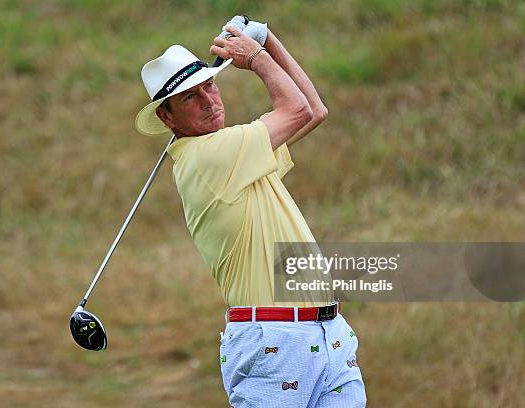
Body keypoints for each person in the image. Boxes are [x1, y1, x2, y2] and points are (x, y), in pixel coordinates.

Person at [135, 20, 366, 408]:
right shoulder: (207, 156)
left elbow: (314, 111)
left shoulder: (237, 151)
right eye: (189, 98)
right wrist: (256, 56)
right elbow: (296, 109)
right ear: (167, 118)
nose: (209, 100)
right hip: (272, 343)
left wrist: (268, 39)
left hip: (329, 334)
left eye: (209, 85)